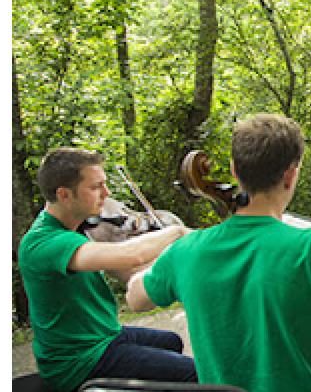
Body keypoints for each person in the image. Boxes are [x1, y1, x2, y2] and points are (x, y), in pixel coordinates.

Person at [127, 114, 311, 391]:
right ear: (291, 175)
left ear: (235, 171)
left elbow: (135, 297)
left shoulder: (186, 251)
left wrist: (179, 240)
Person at [18, 147, 196, 391]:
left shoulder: (75, 230)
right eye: (95, 187)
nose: (107, 193)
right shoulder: (44, 243)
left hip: (103, 334)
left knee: (171, 341)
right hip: (80, 360)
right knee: (195, 375)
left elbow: (128, 272)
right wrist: (177, 232)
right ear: (64, 195)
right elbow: (131, 254)